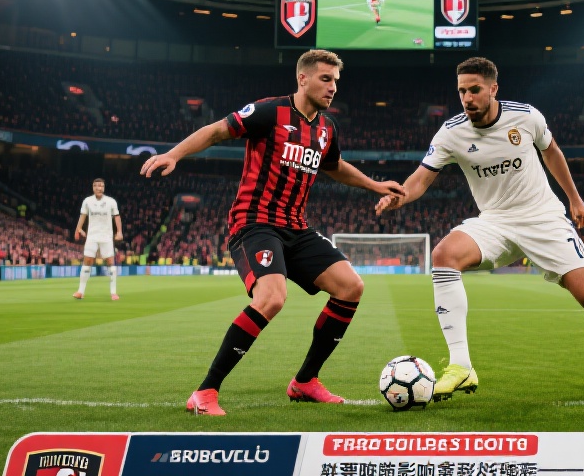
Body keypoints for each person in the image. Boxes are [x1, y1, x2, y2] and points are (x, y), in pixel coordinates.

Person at [140, 49, 405, 416]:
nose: (333, 87)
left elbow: (334, 166)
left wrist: (375, 186)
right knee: (272, 298)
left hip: (296, 227)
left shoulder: (327, 128)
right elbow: (216, 130)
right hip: (255, 223)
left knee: (351, 287)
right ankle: (205, 391)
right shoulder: (270, 111)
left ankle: (305, 381)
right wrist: (174, 154)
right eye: (325, 79)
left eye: (335, 81)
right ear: (303, 78)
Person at [375, 57, 584, 401]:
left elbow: (552, 152)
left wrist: (575, 198)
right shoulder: (451, 132)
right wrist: (400, 197)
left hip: (543, 218)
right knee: (444, 255)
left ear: (493, 88)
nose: (467, 98)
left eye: (475, 90)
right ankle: (461, 366)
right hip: (495, 221)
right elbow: (421, 179)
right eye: (462, 91)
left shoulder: (525, 117)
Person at [73, 178, 122, 300]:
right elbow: (83, 216)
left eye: (101, 186)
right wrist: (78, 229)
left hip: (106, 237)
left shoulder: (111, 201)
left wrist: (119, 232)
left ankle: (113, 292)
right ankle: (80, 291)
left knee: (110, 262)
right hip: (92, 236)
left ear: (104, 188)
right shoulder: (87, 201)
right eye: (96, 186)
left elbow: (117, 217)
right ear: (93, 187)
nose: (99, 188)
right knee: (87, 261)